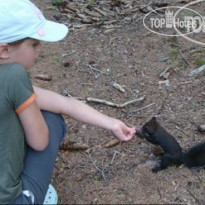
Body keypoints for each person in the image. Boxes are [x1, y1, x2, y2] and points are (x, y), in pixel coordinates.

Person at [0, 0, 136, 204]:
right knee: (51, 118)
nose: (39, 50)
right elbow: (40, 141)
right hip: (14, 200)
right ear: (4, 50)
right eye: (34, 44)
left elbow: (65, 102)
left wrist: (112, 123)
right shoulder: (13, 76)